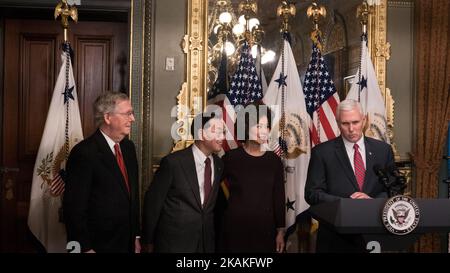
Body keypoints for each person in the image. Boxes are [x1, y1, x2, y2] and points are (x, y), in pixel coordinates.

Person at [305, 99, 395, 252]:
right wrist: (345, 204)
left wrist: (372, 201)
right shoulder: (322, 153)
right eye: (345, 124)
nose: (351, 129)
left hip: (373, 235)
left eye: (355, 122)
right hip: (334, 238)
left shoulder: (383, 150)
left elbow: (393, 189)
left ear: (364, 120)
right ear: (337, 122)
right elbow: (312, 194)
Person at [63, 91, 141, 253]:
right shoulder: (84, 152)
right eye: (127, 114)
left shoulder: (128, 148)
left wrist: (136, 236)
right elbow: (74, 208)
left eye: (131, 113)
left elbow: (132, 197)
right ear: (107, 117)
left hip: (126, 242)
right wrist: (84, 248)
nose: (132, 119)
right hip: (97, 245)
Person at [142, 111, 225, 253]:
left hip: (206, 243)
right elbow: (153, 203)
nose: (222, 137)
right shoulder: (173, 163)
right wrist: (147, 241)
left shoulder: (218, 164)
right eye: (217, 132)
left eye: (223, 132)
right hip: (174, 243)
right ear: (201, 134)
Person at [217, 102, 285, 253]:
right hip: (235, 229)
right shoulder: (230, 158)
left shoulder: (274, 161)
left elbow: (278, 197)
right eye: (259, 126)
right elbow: (213, 192)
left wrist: (280, 231)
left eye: (267, 127)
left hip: (265, 229)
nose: (264, 131)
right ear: (245, 127)